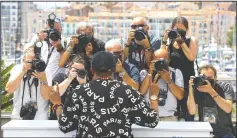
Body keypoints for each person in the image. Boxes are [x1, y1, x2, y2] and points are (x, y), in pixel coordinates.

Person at [49, 51, 159, 137]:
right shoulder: (127, 91)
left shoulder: (79, 92)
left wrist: (57, 104)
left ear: (91, 70)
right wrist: (153, 97)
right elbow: (152, 120)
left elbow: (65, 124)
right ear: (114, 69)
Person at [161, 16, 199, 121]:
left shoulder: (191, 40)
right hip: (173, 84)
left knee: (188, 115)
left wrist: (181, 42)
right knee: (174, 114)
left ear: (186, 29)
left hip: (187, 84)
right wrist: (164, 40)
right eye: (176, 29)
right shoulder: (170, 43)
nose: (178, 32)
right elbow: (161, 57)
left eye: (181, 30)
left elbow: (191, 57)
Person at [187, 65, 235, 138]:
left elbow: (228, 108)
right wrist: (191, 88)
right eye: (204, 78)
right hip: (204, 131)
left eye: (209, 78)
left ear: (215, 77)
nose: (206, 81)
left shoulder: (225, 87)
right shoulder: (198, 88)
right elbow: (192, 111)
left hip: (224, 132)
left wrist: (211, 91)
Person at [5, 44, 48, 120]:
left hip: (40, 119)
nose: (33, 64)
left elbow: (46, 96)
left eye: (35, 61)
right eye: (30, 62)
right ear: (23, 60)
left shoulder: (44, 70)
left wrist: (43, 79)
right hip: (18, 117)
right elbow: (9, 89)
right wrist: (22, 72)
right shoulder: (17, 69)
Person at [140, 49, 184, 121]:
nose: (160, 64)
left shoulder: (175, 73)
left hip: (170, 117)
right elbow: (141, 92)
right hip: (149, 116)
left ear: (169, 60)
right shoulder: (145, 73)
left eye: (163, 61)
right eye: (157, 61)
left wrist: (168, 80)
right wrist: (150, 73)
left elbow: (180, 96)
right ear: (152, 60)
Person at [41, 55, 88, 120]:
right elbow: (54, 94)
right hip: (56, 118)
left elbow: (88, 102)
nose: (78, 72)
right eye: (75, 70)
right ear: (69, 68)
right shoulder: (61, 77)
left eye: (81, 70)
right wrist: (69, 79)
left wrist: (83, 85)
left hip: (75, 119)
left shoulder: (86, 82)